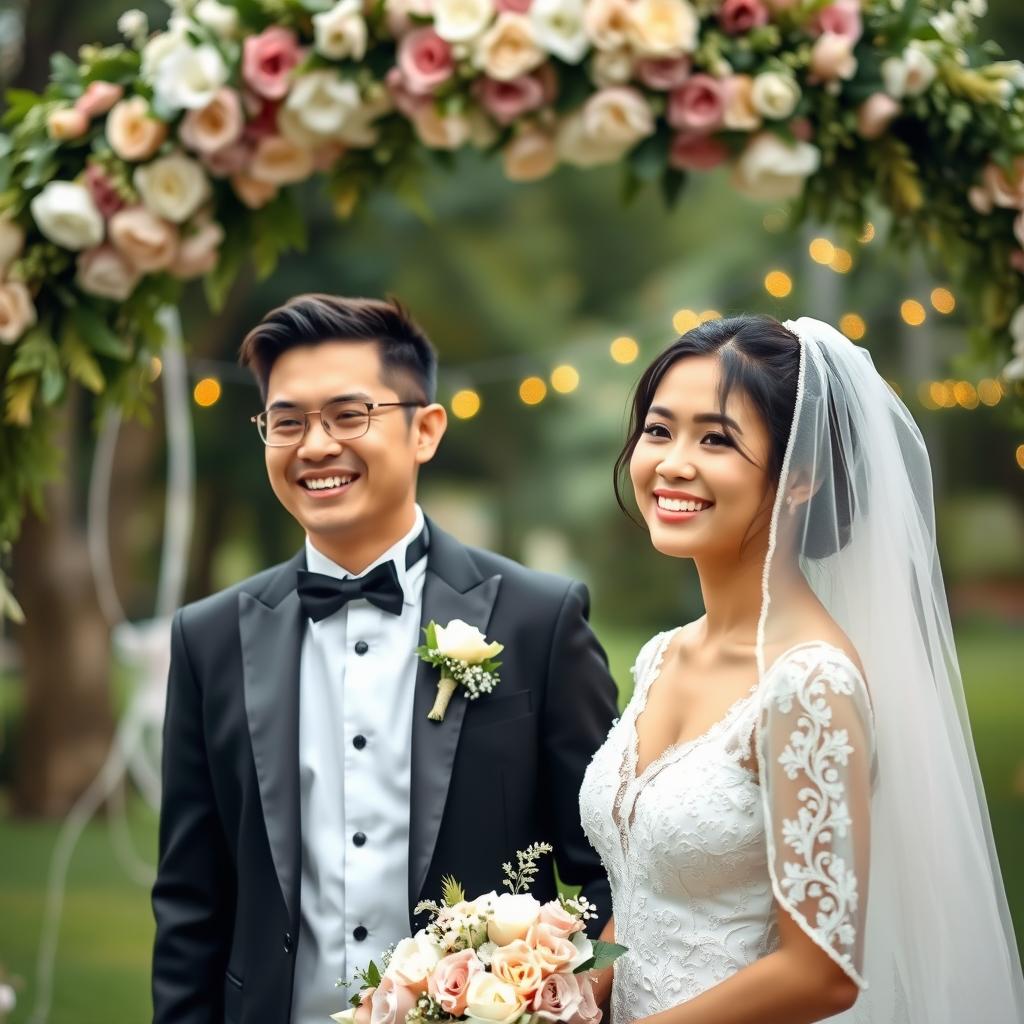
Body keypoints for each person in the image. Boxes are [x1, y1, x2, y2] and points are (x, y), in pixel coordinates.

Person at [151, 294, 618, 1024]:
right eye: (287, 421)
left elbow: (606, 877)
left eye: (348, 415)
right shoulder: (207, 639)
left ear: (424, 430)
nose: (314, 446)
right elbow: (190, 902)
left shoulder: (539, 622)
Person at [579, 314, 1024, 1023]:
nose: (671, 462)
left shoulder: (809, 681)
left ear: (800, 477)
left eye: (716, 439)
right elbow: (648, 896)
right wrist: (540, 989)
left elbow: (820, 975)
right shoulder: (664, 654)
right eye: (658, 430)